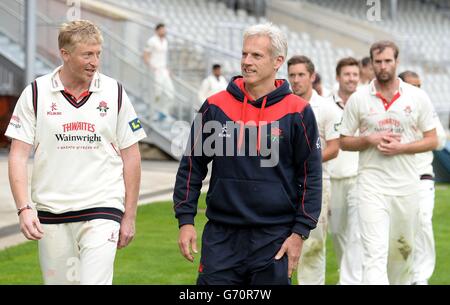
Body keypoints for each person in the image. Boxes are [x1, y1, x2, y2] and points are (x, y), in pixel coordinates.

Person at [173, 23, 322, 285]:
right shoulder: (215, 106)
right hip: (221, 236)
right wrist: (185, 220)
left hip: (274, 237)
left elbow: (311, 177)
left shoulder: (298, 111)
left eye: (256, 55)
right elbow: (191, 165)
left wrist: (299, 233)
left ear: (277, 61)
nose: (247, 62)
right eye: (244, 54)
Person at [5, 20, 147, 285]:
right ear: (65, 54)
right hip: (51, 213)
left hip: (102, 208)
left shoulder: (114, 93)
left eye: (98, 54)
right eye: (87, 54)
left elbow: (131, 156)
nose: (95, 62)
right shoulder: (36, 93)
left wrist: (129, 215)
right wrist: (24, 208)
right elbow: (18, 155)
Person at [340, 41, 438, 285]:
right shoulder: (359, 98)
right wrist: (368, 139)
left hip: (406, 186)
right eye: (378, 61)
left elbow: (432, 139)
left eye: (388, 61)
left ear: (397, 61)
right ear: (371, 63)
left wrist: (402, 147)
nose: (383, 66)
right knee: (374, 255)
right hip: (371, 185)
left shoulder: (417, 97)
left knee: (402, 253)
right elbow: (343, 141)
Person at [287, 55, 341, 285]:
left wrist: (305, 162)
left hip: (316, 184)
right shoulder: (283, 106)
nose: (296, 80)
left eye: (301, 75)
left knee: (313, 246)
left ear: (312, 76)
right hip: (284, 184)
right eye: (292, 75)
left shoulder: (327, 108)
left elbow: (335, 148)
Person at [398, 70, 447, 285]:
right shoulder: (393, 108)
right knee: (401, 229)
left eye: (420, 85)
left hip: (423, 176)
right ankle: (403, 276)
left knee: (424, 221)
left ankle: (421, 277)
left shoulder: (425, 106)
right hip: (397, 179)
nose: (418, 90)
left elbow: (440, 140)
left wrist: (413, 140)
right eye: (412, 86)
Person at [327, 57, 363, 284]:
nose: (351, 79)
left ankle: (351, 281)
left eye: (355, 75)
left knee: (357, 235)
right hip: (332, 179)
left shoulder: (364, 103)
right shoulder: (324, 104)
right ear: (338, 77)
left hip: (359, 178)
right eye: (347, 74)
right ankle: (348, 277)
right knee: (338, 234)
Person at [143, 23, 175, 121]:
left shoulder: (165, 41)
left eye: (164, 30)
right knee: (157, 93)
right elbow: (145, 55)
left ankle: (163, 113)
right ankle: (152, 113)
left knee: (170, 93)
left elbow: (164, 57)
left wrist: (168, 68)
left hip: (164, 70)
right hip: (156, 70)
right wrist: (151, 66)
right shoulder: (152, 41)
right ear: (157, 30)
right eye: (162, 30)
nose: (164, 32)